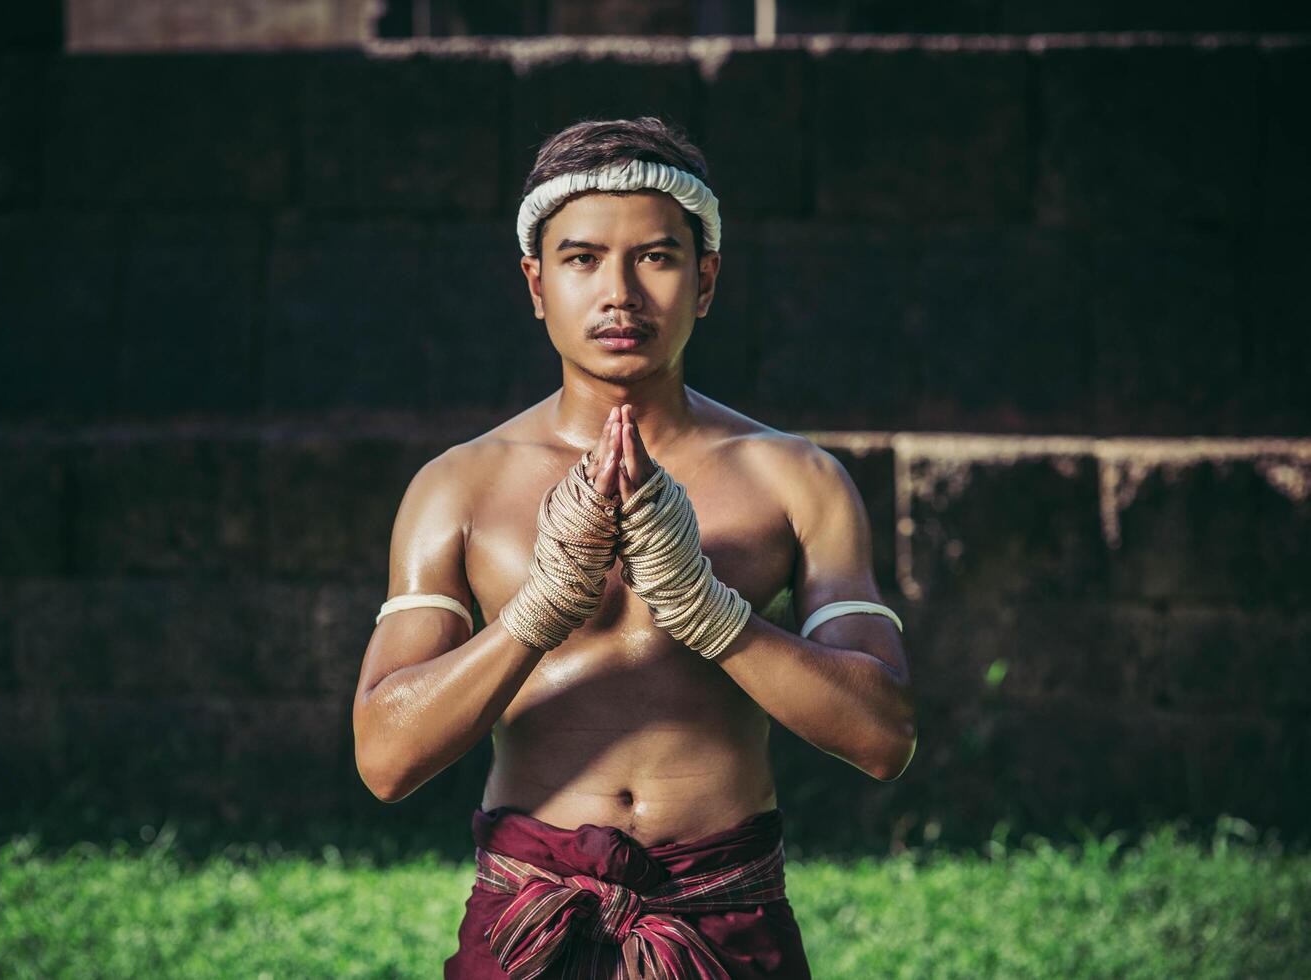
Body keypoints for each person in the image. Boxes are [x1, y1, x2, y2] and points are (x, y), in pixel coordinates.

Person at [352, 116, 916, 978]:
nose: (619, 292)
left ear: (706, 280)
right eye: (581, 259)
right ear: (536, 284)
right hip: (528, 920)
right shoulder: (457, 487)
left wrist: (706, 608)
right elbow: (385, 760)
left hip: (724, 913)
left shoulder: (794, 478)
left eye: (655, 256)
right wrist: (537, 611)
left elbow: (883, 737)